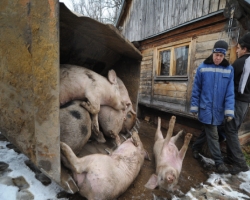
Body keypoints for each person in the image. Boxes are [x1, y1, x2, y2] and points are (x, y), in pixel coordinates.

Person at [190, 40, 235, 173]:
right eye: (216, 55)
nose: (218, 58)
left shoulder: (229, 69)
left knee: (206, 133)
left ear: (224, 56)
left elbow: (230, 92)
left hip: (219, 111)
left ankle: (195, 148)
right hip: (206, 109)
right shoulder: (202, 67)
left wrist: (229, 112)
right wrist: (194, 107)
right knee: (213, 135)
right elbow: (196, 89)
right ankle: (219, 162)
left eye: (221, 56)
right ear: (212, 53)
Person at [224, 32, 250, 175]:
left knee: (231, 130)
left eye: (239, 48)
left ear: (245, 49)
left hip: (237, 101)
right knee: (232, 129)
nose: (237, 50)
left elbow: (230, 84)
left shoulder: (241, 63)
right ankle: (230, 158)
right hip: (245, 103)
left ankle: (240, 163)